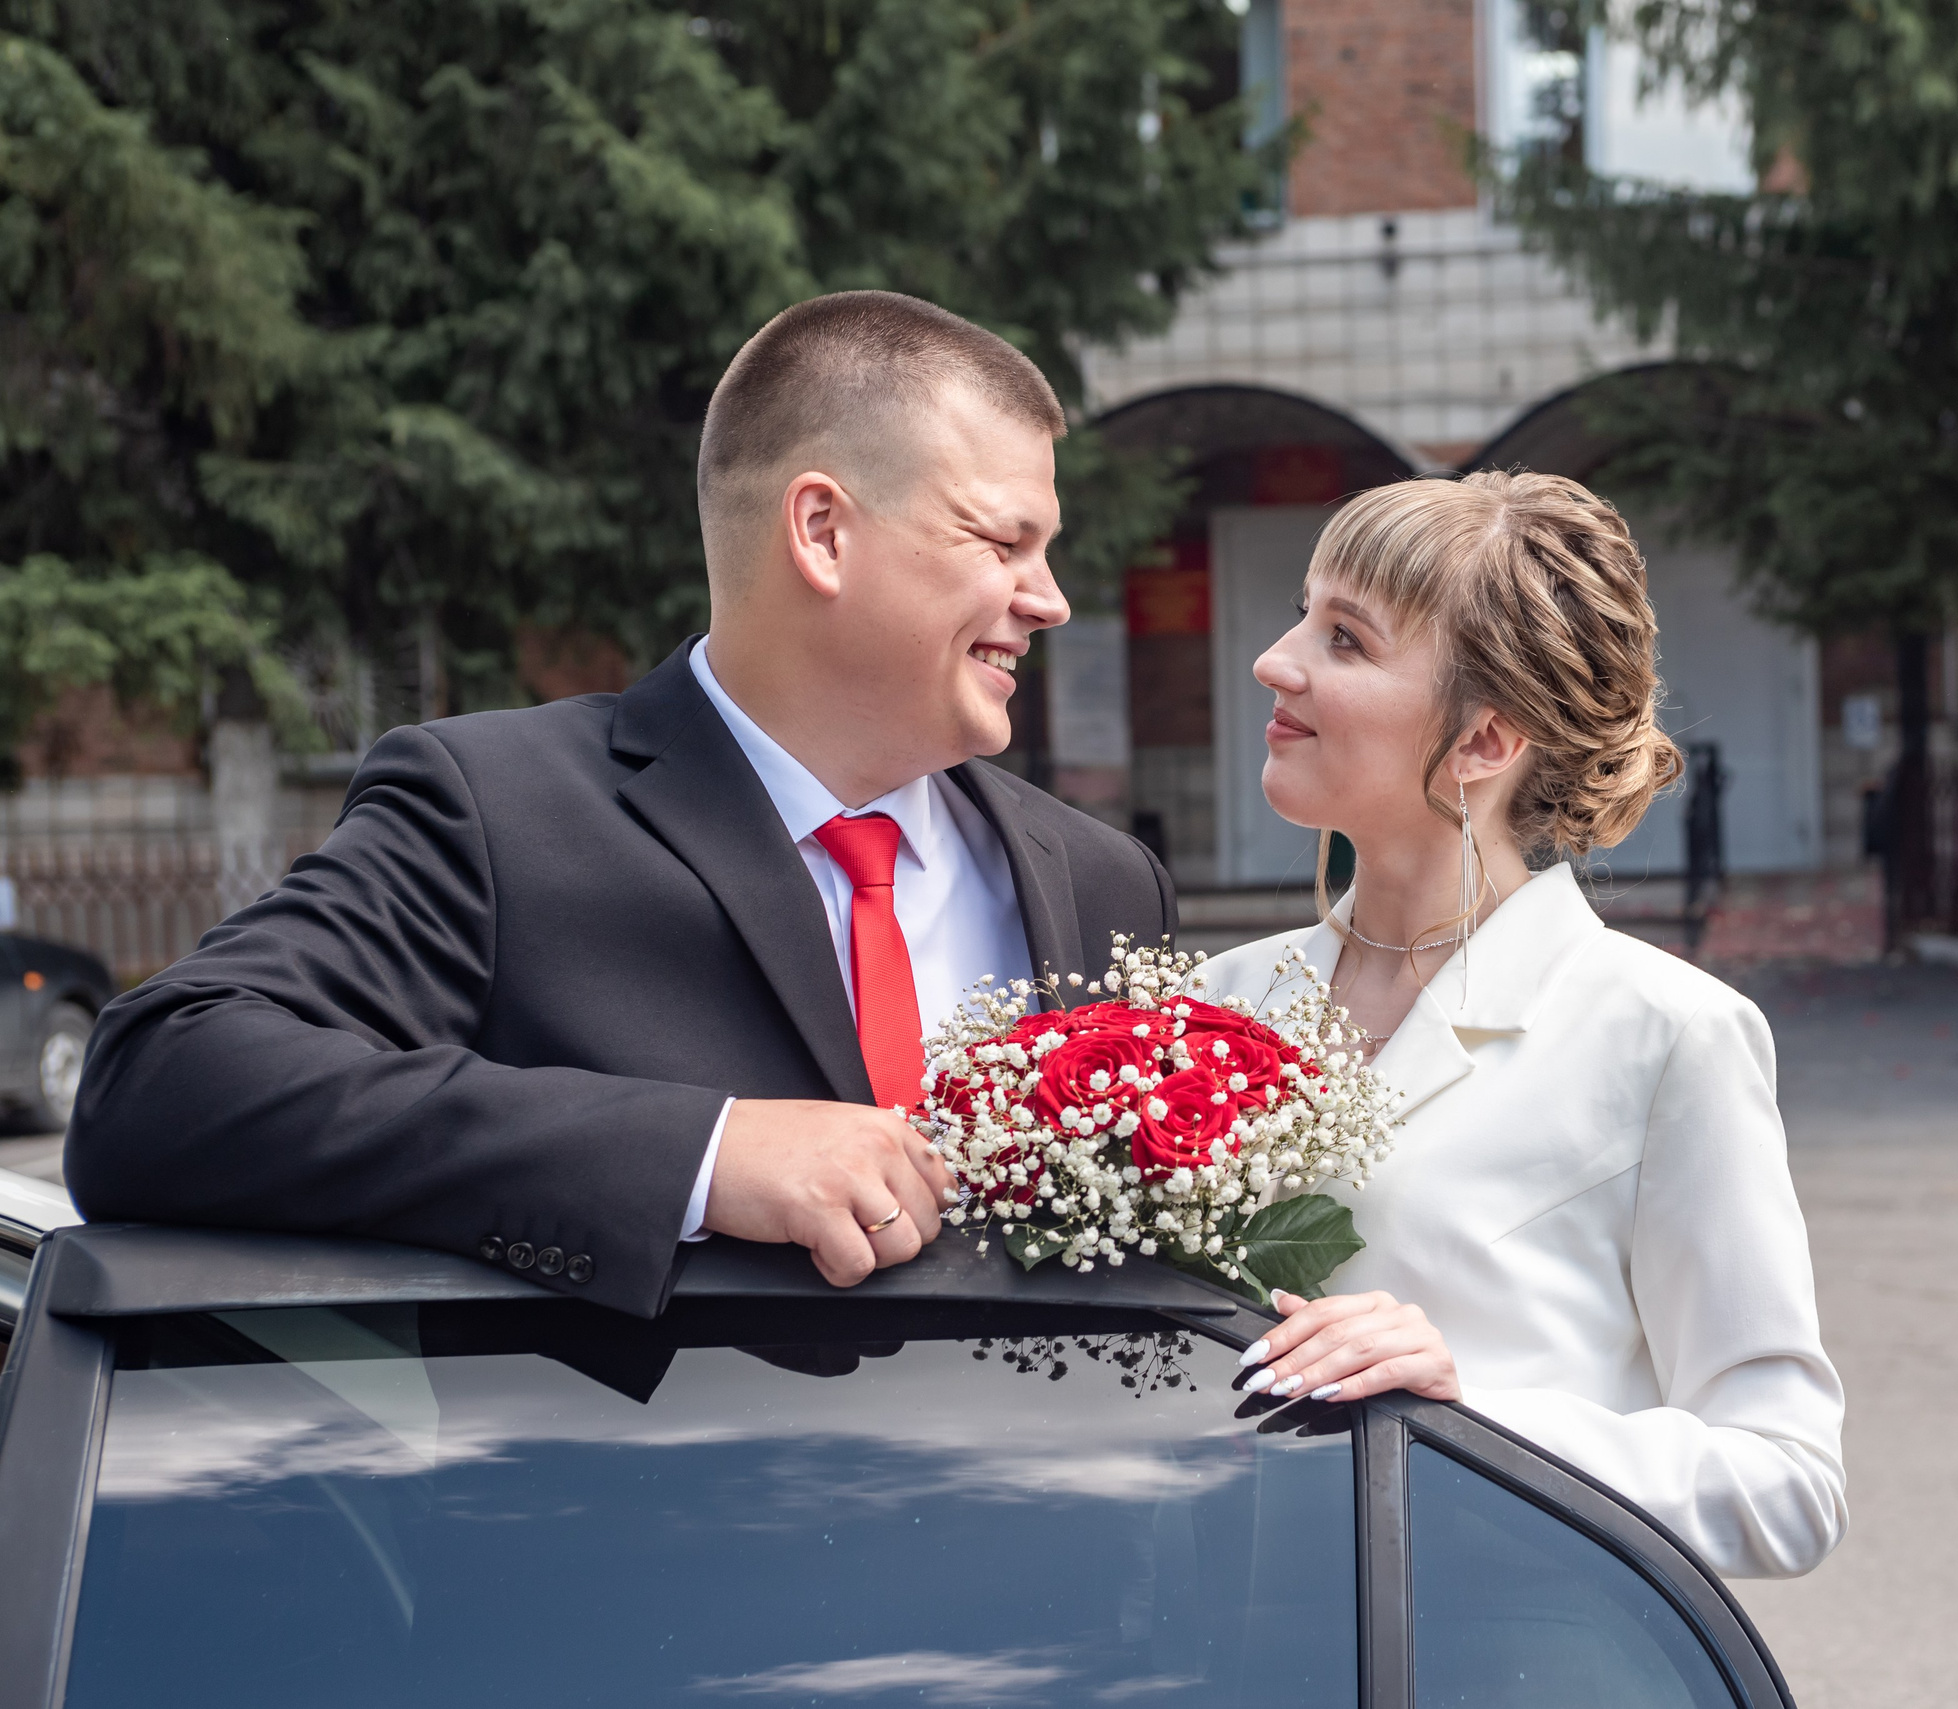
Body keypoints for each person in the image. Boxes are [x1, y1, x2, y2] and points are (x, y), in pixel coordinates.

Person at [67, 291, 1174, 1320]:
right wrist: (703, 1153)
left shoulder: (1099, 876)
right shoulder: (495, 814)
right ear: (823, 532)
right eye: (1002, 541)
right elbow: (158, 1085)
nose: (1049, 598)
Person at [1197, 471, 1846, 1578]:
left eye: (1344, 639)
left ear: (1483, 740)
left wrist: (1468, 1415)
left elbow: (1785, 1486)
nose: (1275, 657)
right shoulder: (1210, 1004)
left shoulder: (1664, 1033)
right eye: (1303, 611)